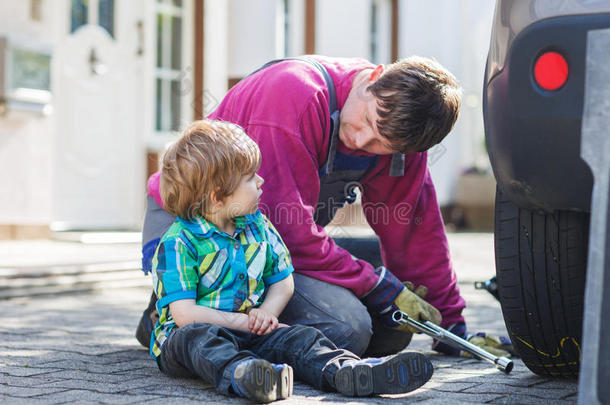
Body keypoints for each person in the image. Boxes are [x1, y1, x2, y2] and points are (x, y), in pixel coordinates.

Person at [137, 55, 514, 359]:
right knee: (347, 328)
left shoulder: (401, 141)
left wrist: (452, 329)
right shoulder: (293, 95)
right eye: (366, 120)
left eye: (380, 143)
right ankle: (175, 313)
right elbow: (288, 229)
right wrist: (376, 285)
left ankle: (209, 321)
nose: (361, 139)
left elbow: (417, 234)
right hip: (189, 233)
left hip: (261, 248)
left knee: (392, 329)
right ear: (374, 77)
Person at [149, 119, 434, 403]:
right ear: (218, 196)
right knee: (199, 339)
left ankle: (347, 371)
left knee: (302, 338)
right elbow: (185, 315)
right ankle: (243, 374)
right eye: (249, 178)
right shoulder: (180, 242)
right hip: (189, 335)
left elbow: (283, 280)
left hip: (250, 330)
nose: (260, 181)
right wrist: (242, 322)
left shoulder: (257, 226)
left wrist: (268, 313)